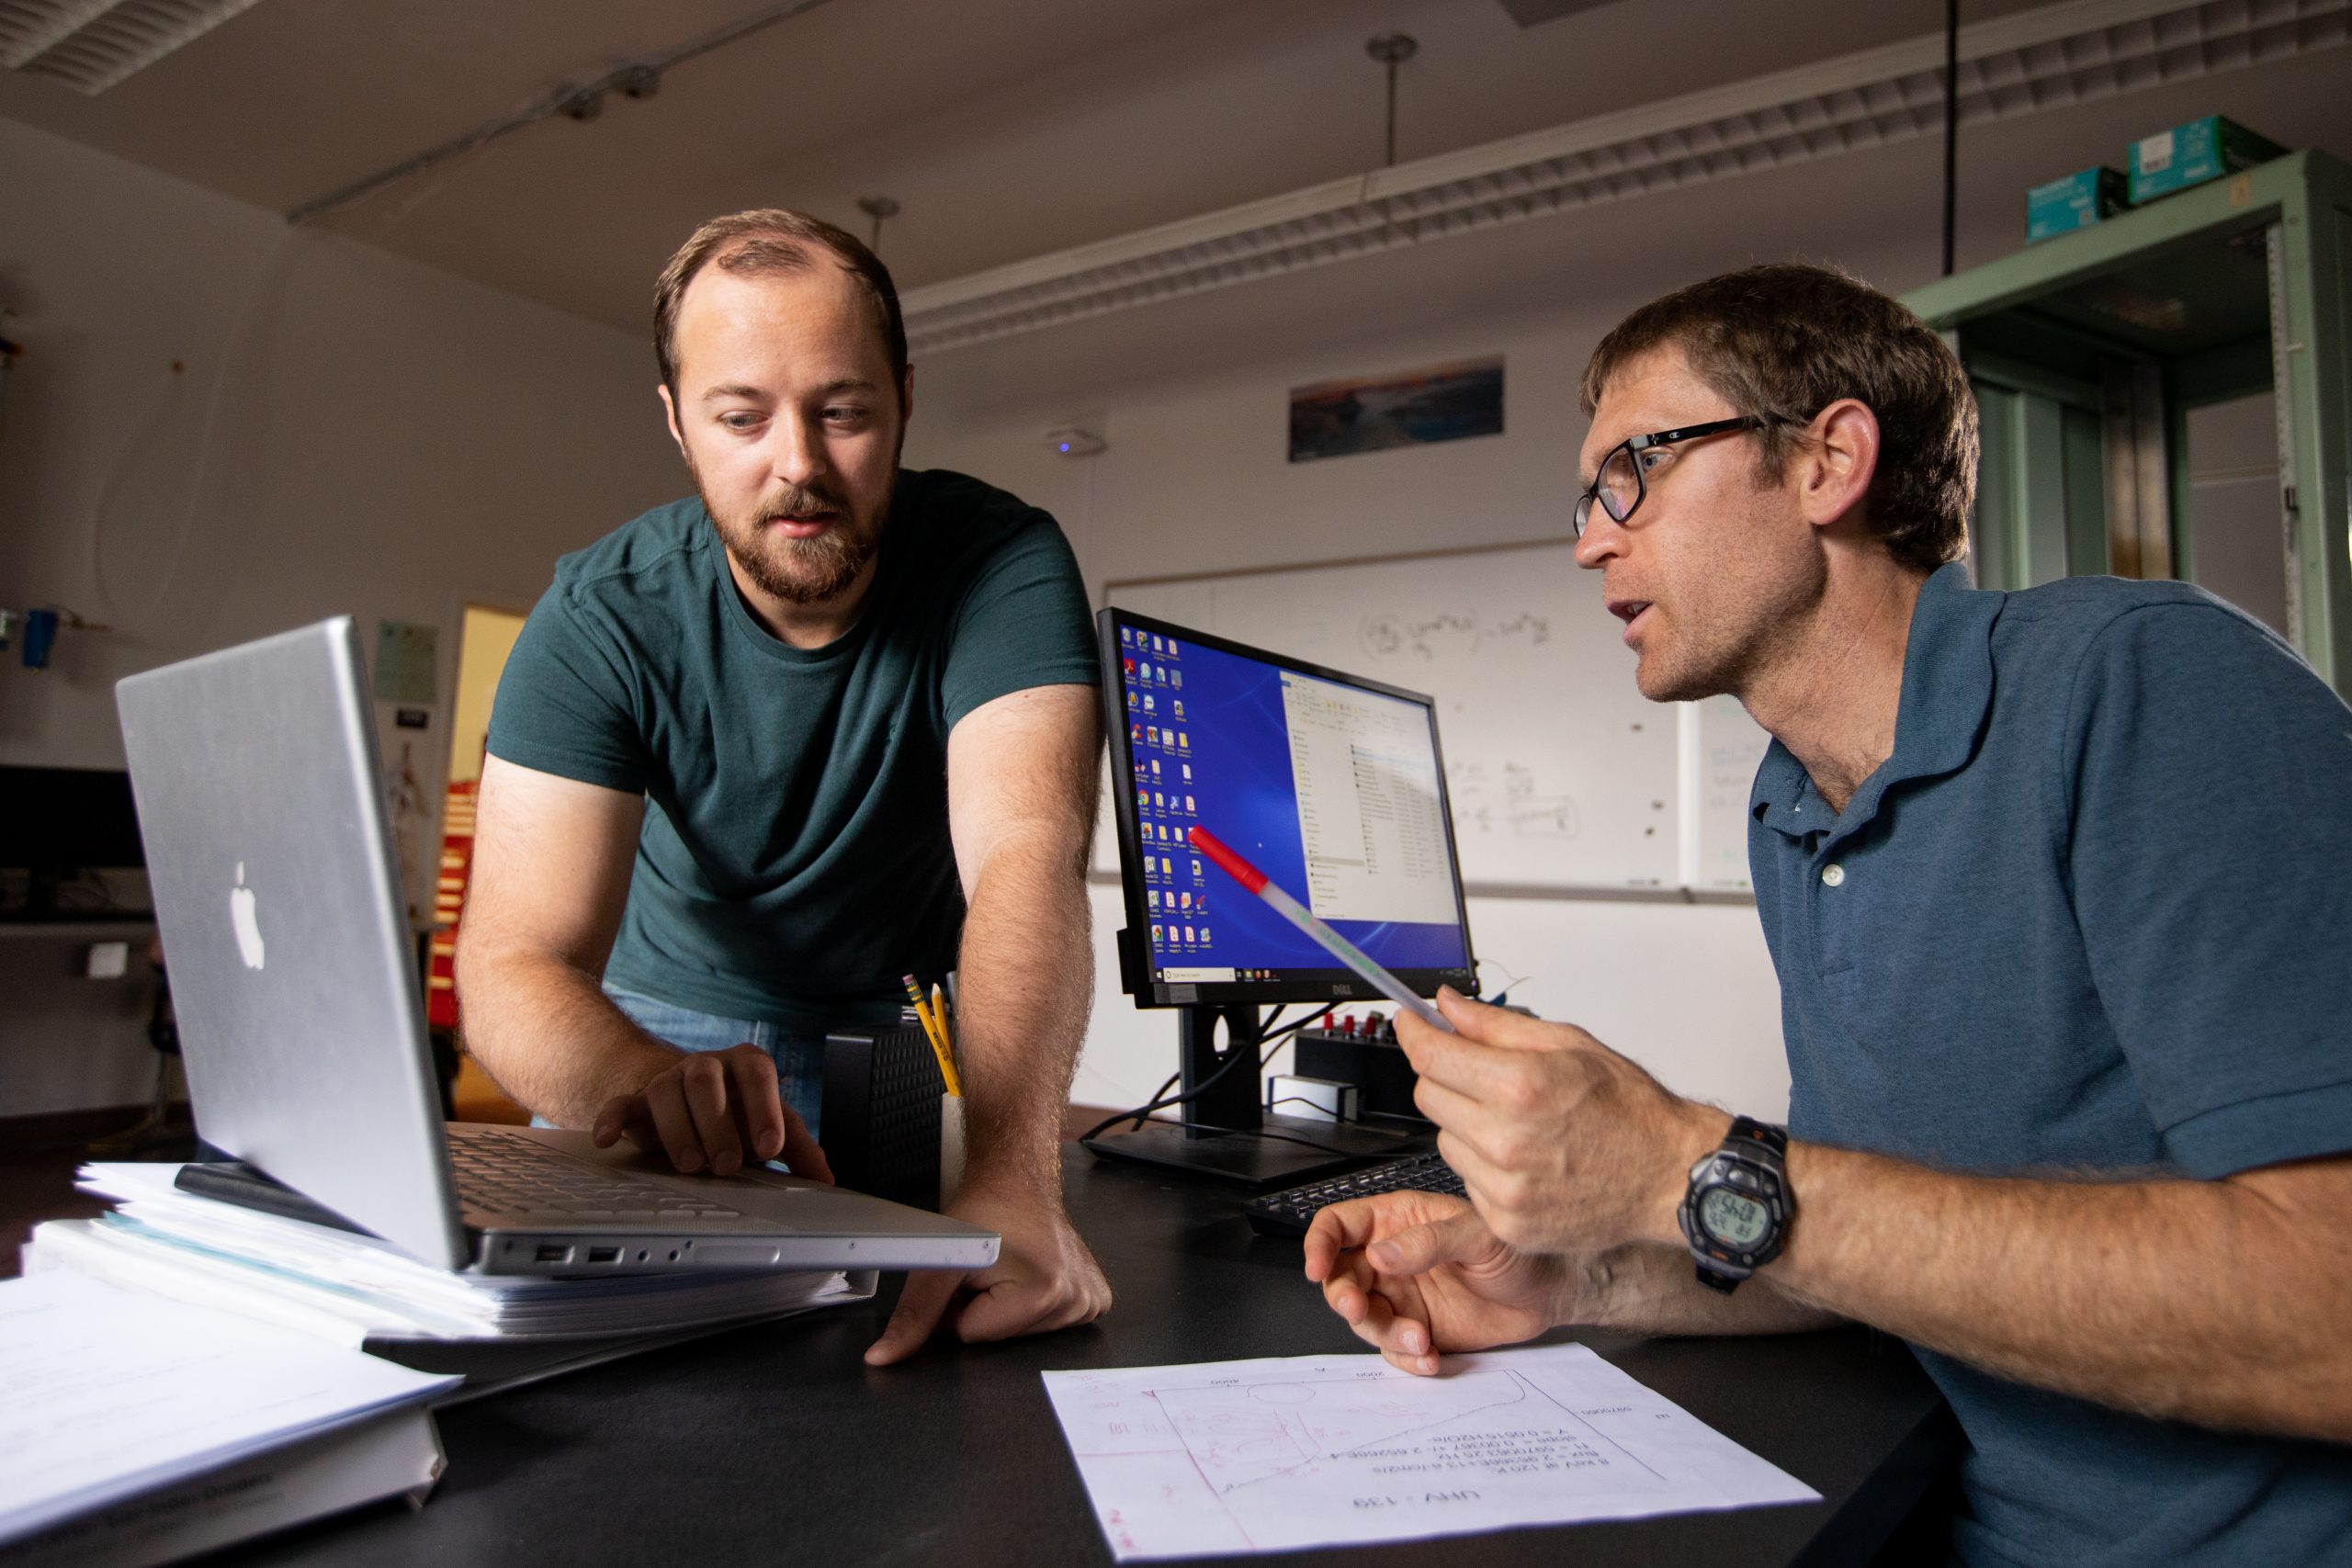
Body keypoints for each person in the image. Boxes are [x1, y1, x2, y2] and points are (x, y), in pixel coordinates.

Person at [1304, 264, 2352, 1565]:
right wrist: (1580, 1270)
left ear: (1826, 461)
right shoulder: (1795, 809)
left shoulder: (2141, 683)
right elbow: (1889, 1247)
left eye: (1634, 467)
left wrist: (1680, 1161)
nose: (1590, 537)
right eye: (1588, 493)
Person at [456, 209, 1112, 1366]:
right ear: (676, 421)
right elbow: (513, 961)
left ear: (905, 398)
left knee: (908, 1371)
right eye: (741, 417)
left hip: (898, 1037)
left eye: (844, 411)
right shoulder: (597, 616)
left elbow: (1026, 853)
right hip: (654, 1030)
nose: (798, 464)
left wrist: (1017, 1182)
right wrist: (639, 1078)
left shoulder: (1000, 562)